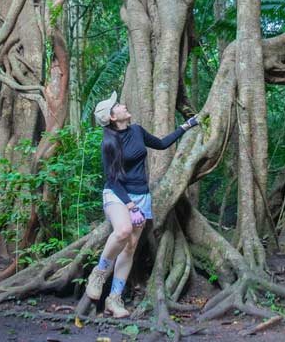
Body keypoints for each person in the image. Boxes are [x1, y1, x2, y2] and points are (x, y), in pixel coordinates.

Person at [84, 91, 199, 317]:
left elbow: (161, 143)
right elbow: (113, 179)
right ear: (113, 118)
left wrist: (187, 126)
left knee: (130, 247)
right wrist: (130, 206)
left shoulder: (136, 131)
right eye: (117, 105)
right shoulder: (109, 143)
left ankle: (114, 299)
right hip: (118, 195)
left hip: (141, 195)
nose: (123, 104)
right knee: (123, 231)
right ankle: (99, 273)